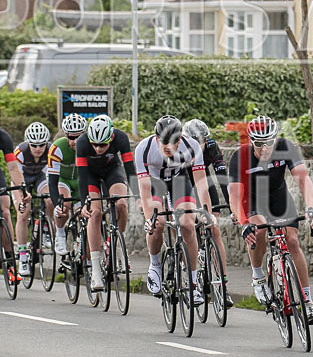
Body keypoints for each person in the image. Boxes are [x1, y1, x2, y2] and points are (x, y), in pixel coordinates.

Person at [228, 115, 313, 322]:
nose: (264, 148)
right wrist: (243, 222)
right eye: (259, 143)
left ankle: (307, 301)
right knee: (259, 229)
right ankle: (258, 276)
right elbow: (234, 196)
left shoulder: (285, 147)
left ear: (276, 138)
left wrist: (311, 208)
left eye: (268, 142)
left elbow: (303, 179)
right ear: (251, 141)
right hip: (251, 201)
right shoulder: (240, 156)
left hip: (278, 197)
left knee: (293, 241)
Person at [135, 115, 217, 304]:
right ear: (156, 138)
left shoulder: (192, 147)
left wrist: (207, 212)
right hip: (154, 182)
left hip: (178, 181)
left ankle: (193, 283)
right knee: (158, 223)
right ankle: (155, 265)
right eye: (163, 142)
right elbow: (145, 189)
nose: (168, 147)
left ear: (180, 139)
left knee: (188, 224)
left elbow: (201, 183)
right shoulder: (144, 149)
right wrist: (149, 219)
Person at [76, 115, 139, 291]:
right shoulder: (82, 142)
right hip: (90, 175)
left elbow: (129, 169)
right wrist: (84, 204)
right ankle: (96, 270)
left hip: (112, 171)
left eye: (102, 145)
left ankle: (117, 244)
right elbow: (81, 176)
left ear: (111, 138)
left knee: (121, 204)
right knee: (94, 213)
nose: (97, 148)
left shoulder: (121, 138)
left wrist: (139, 198)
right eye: (94, 144)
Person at [182, 118, 233, 308]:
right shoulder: (180, 150)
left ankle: (223, 285)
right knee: (186, 226)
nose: (199, 146)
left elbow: (222, 179)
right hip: (185, 184)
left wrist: (232, 207)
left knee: (215, 229)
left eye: (202, 141)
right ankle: (185, 272)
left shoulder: (212, 147)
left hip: (205, 184)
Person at [14, 122, 52, 277]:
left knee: (49, 199)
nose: (38, 148)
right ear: (28, 143)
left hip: (40, 178)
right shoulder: (20, 152)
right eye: (34, 145)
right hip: (21, 180)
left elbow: (51, 175)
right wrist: (22, 198)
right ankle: (22, 256)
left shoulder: (51, 150)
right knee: (23, 213)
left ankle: (46, 228)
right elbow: (16, 176)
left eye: (41, 144)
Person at [47, 113, 88, 256]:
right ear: (65, 135)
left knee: (86, 213)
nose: (76, 141)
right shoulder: (57, 148)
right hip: (62, 180)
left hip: (80, 181)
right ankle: (60, 235)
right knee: (64, 205)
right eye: (72, 137)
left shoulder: (90, 146)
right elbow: (52, 181)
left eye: (79, 136)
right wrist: (57, 204)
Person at [0, 126, 29, 279]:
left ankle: (11, 263)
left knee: (5, 209)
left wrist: (22, 190)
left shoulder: (3, 136)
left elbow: (13, 168)